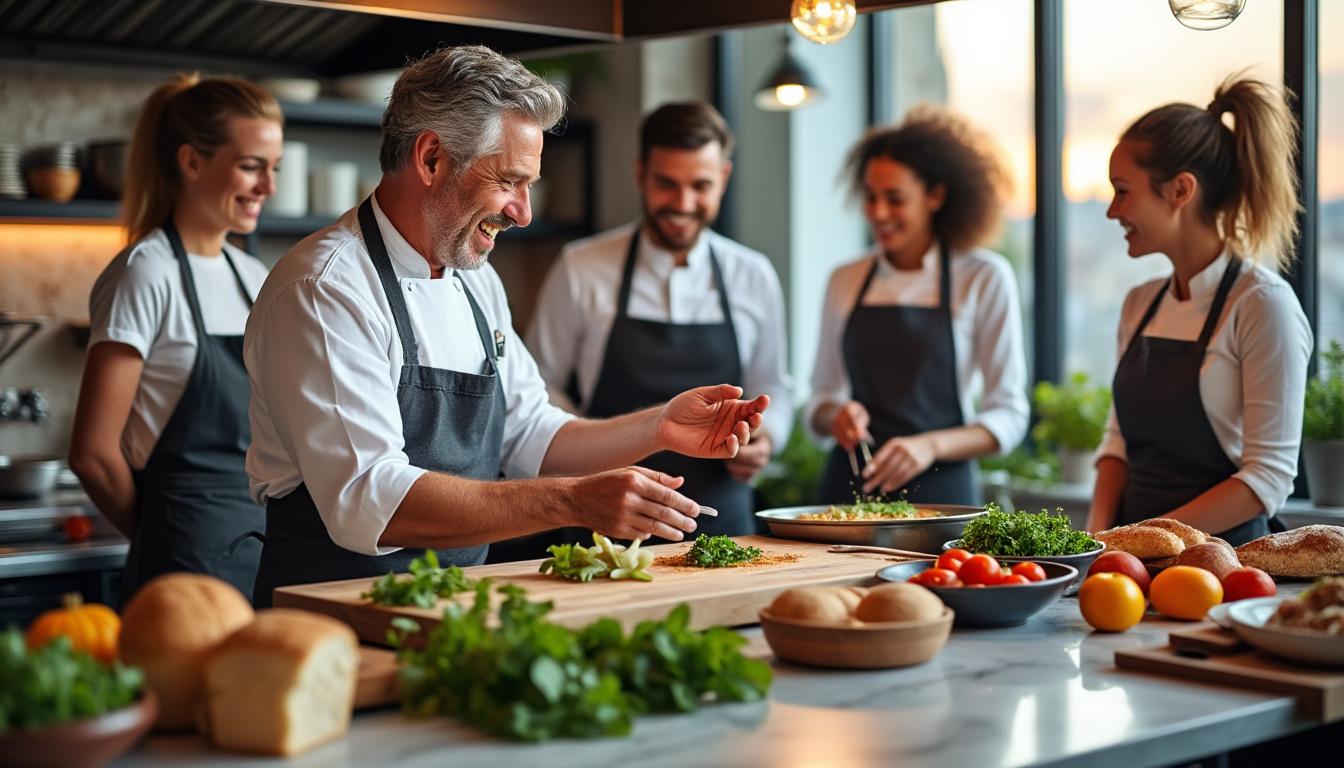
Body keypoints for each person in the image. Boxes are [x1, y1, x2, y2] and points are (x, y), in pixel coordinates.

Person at [243, 46, 769, 606]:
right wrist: (570, 502)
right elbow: (370, 500)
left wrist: (660, 427)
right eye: (509, 181)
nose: (524, 212)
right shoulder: (327, 288)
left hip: (453, 610)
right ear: (431, 159)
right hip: (330, 622)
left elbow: (531, 435)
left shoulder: (475, 279)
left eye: (529, 185)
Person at [521, 101, 792, 545]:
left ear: (723, 178)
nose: (683, 204)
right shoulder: (582, 267)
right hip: (605, 518)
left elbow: (775, 384)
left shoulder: (753, 274)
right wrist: (589, 448)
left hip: (722, 523)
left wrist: (766, 439)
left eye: (700, 186)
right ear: (641, 174)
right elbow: (539, 385)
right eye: (667, 184)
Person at [69, 75, 282, 603]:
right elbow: (93, 454)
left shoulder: (253, 275)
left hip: (262, 549)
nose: (268, 187)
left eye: (272, 169)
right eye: (251, 166)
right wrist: (162, 533)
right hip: (183, 562)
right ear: (192, 162)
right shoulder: (145, 274)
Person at [1085, 74, 1312, 545]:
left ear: (1181, 191)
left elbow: (1266, 478)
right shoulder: (1139, 303)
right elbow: (1118, 444)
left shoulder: (1262, 305)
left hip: (1224, 561)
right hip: (1127, 559)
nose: (1112, 211)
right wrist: (1097, 541)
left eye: (1123, 190)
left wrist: (1140, 539)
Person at [808, 107, 1029, 505]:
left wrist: (930, 445)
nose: (878, 213)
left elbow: (1009, 414)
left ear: (936, 196)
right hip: (850, 491)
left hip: (944, 497)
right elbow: (820, 400)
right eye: (871, 197)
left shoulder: (983, 276)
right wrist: (836, 416)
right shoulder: (845, 278)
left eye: (895, 199)